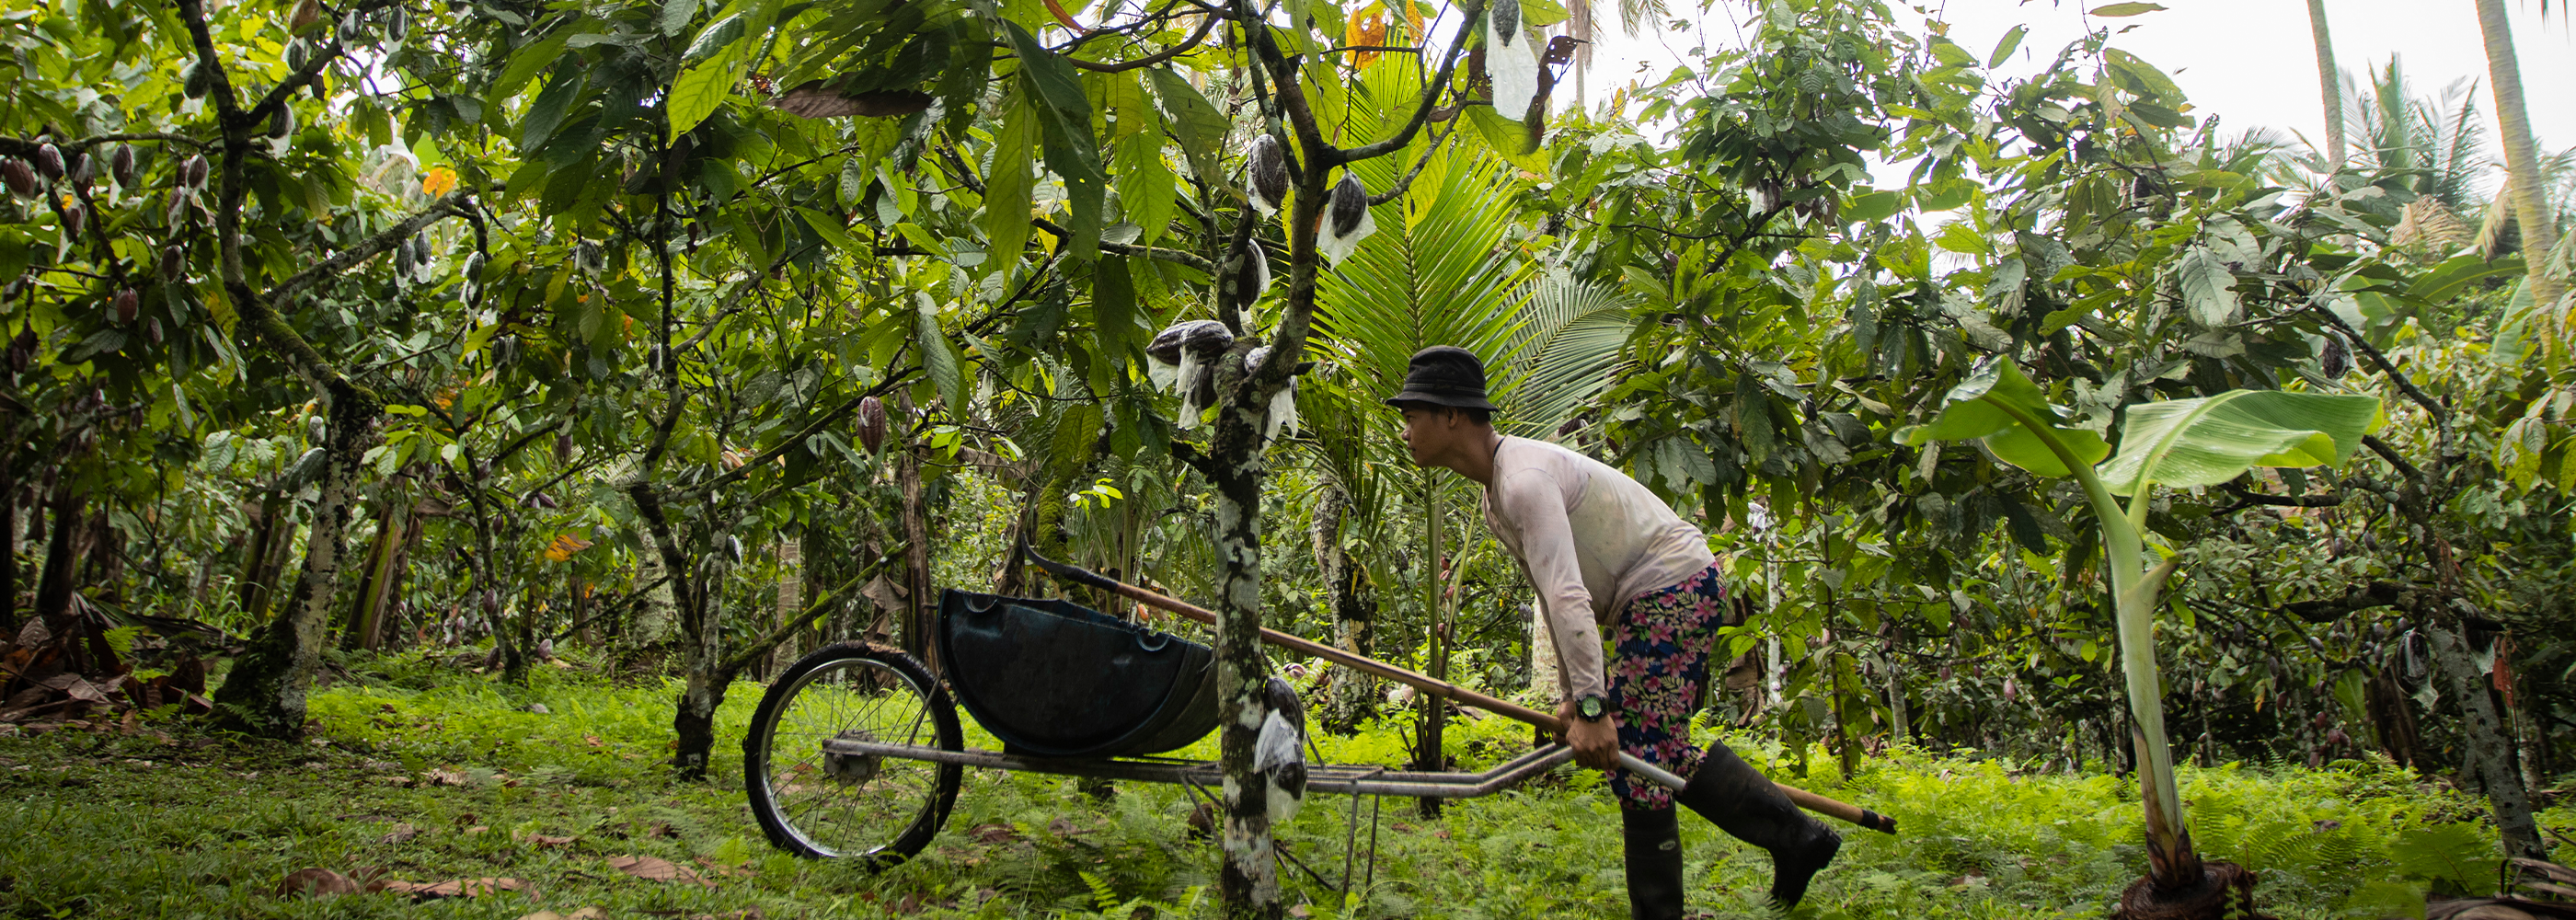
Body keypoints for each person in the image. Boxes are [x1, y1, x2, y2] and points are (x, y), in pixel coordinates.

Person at [1385, 345, 1840, 917]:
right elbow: (1548, 592)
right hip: (1651, 597)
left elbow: (1568, 593)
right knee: (1658, 750)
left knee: (1641, 757)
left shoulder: (1523, 481)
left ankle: (1676, 904)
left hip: (1671, 586)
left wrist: (1598, 711)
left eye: (1412, 414)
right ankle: (1798, 838)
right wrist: (1577, 699)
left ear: (1451, 415)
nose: (1405, 430)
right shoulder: (1496, 494)